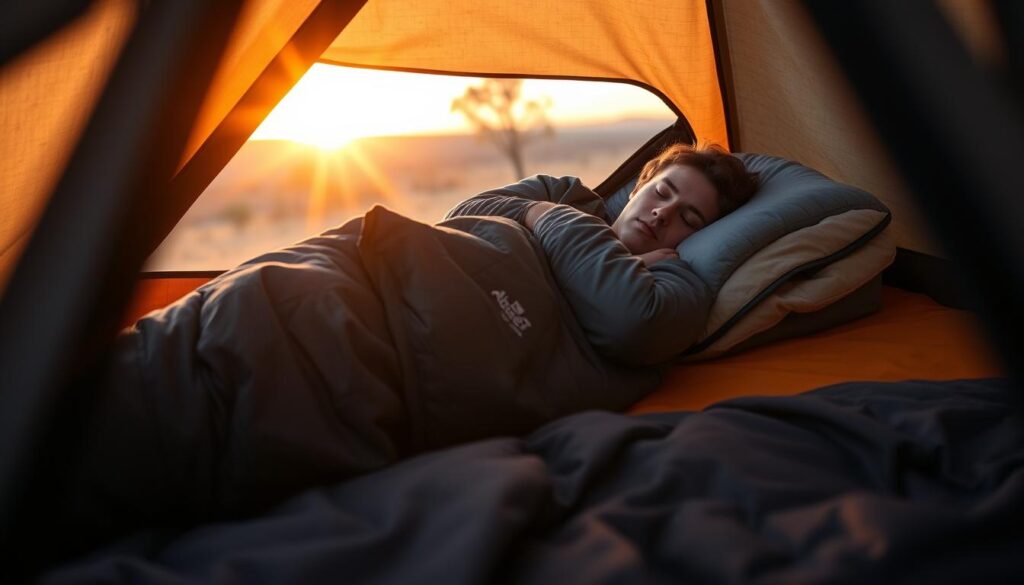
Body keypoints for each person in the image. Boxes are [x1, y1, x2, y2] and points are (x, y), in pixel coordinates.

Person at [449, 142, 759, 265]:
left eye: (688, 219)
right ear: (638, 187)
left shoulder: (663, 285)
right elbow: (461, 215)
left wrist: (628, 268)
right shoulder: (562, 195)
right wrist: (540, 211)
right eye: (662, 192)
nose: (663, 213)